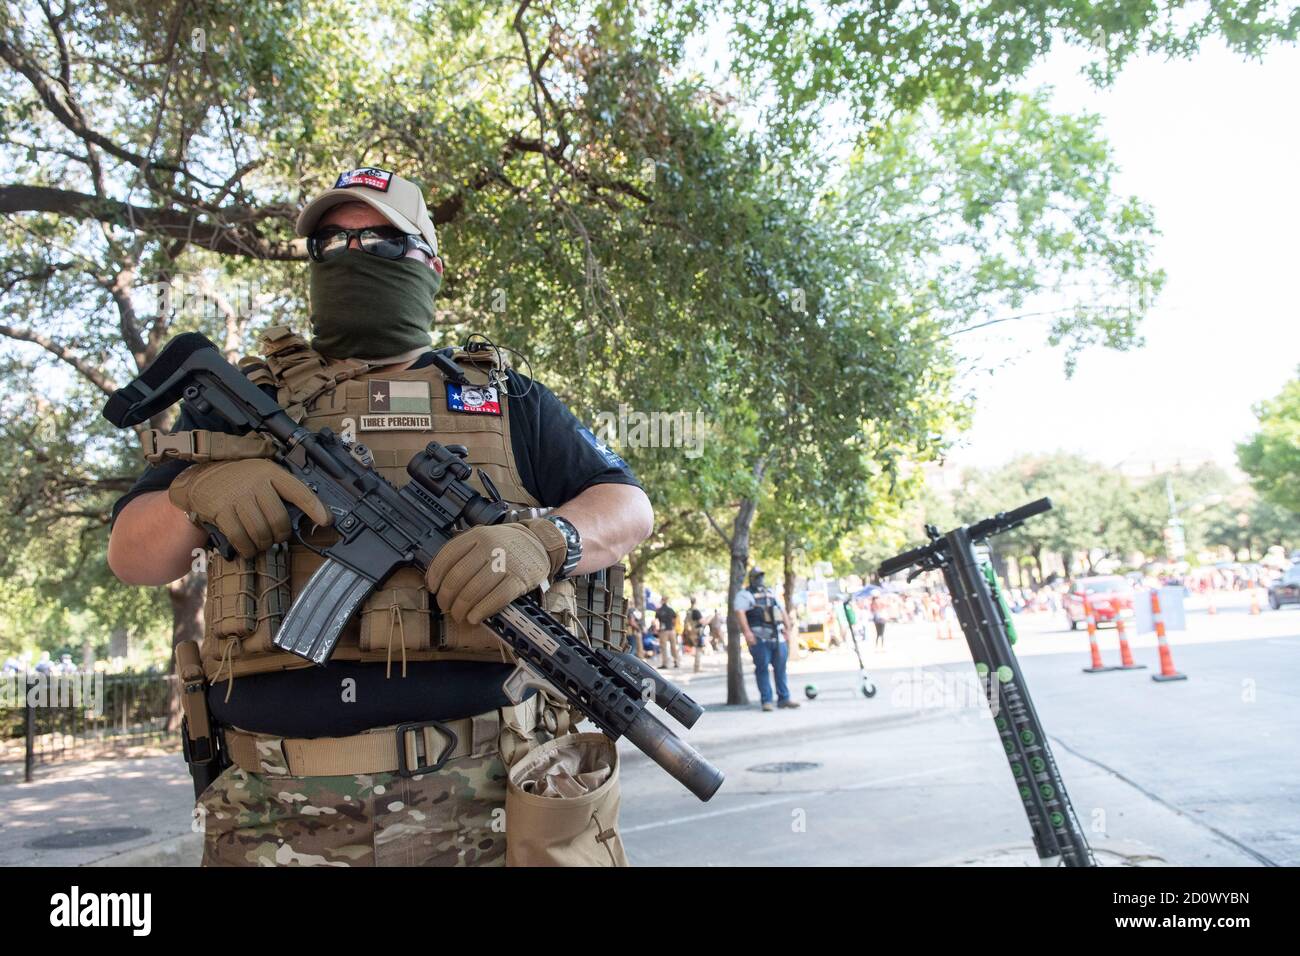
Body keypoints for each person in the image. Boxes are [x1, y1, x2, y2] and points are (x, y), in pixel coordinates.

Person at [106, 169, 654, 867]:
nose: (351, 252)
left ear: (432, 264)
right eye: (331, 242)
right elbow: (133, 556)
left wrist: (544, 541)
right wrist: (192, 496)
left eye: (381, 239)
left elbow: (629, 506)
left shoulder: (503, 397)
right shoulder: (238, 400)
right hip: (270, 812)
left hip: (479, 802)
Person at [733, 568, 799, 712]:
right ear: (751, 578)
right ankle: (766, 700)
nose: (760, 579)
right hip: (759, 638)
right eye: (757, 576)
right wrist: (747, 632)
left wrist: (787, 628)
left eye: (761, 576)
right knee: (762, 668)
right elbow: (740, 612)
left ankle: (784, 698)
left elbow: (781, 610)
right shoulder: (745, 595)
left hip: (777, 637)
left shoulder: (770, 593)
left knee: (781, 668)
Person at [655, 598, 680, 669]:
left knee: (663, 648)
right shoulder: (671, 609)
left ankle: (665, 664)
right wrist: (673, 626)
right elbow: (675, 619)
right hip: (671, 630)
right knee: (673, 646)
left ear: (662, 601)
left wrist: (657, 630)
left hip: (663, 631)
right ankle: (676, 662)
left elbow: (656, 621)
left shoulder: (659, 610)